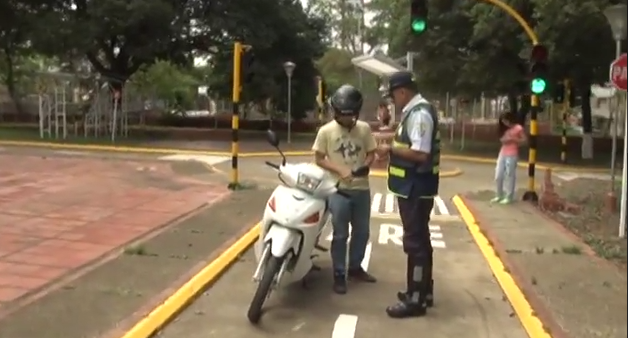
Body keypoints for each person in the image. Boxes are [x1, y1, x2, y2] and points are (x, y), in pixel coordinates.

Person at [375, 71, 440, 318]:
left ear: (402, 91)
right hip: (414, 187)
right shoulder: (414, 112)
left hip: (415, 187)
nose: (393, 101)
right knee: (420, 240)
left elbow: (421, 153)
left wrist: (391, 149)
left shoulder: (420, 114)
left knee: (415, 243)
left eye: (393, 96)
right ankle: (423, 290)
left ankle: (416, 299)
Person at [312, 84, 378, 294]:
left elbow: (371, 152)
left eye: (349, 116)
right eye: (341, 115)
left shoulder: (364, 129)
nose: (345, 119)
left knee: (362, 232)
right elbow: (319, 159)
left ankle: (355, 267)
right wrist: (339, 169)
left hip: (361, 190)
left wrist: (365, 165)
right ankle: (339, 273)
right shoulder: (326, 131)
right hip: (338, 190)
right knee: (340, 234)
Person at [492, 111, 526, 204]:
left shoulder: (518, 128)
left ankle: (509, 196)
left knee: (510, 174)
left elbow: (524, 140)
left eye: (506, 121)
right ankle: (499, 194)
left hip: (512, 153)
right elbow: (501, 139)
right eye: (503, 121)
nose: (505, 123)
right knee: (498, 175)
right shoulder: (503, 129)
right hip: (503, 152)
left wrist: (514, 139)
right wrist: (504, 140)